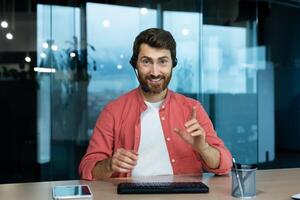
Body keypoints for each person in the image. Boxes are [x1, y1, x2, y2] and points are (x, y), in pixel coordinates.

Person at [79, 28, 232, 180]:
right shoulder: (113, 111)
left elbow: (225, 165)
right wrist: (109, 165)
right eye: (146, 61)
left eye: (162, 62)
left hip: (184, 195)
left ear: (173, 63)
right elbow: (87, 168)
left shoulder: (193, 108)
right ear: (135, 64)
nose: (155, 72)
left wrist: (203, 148)